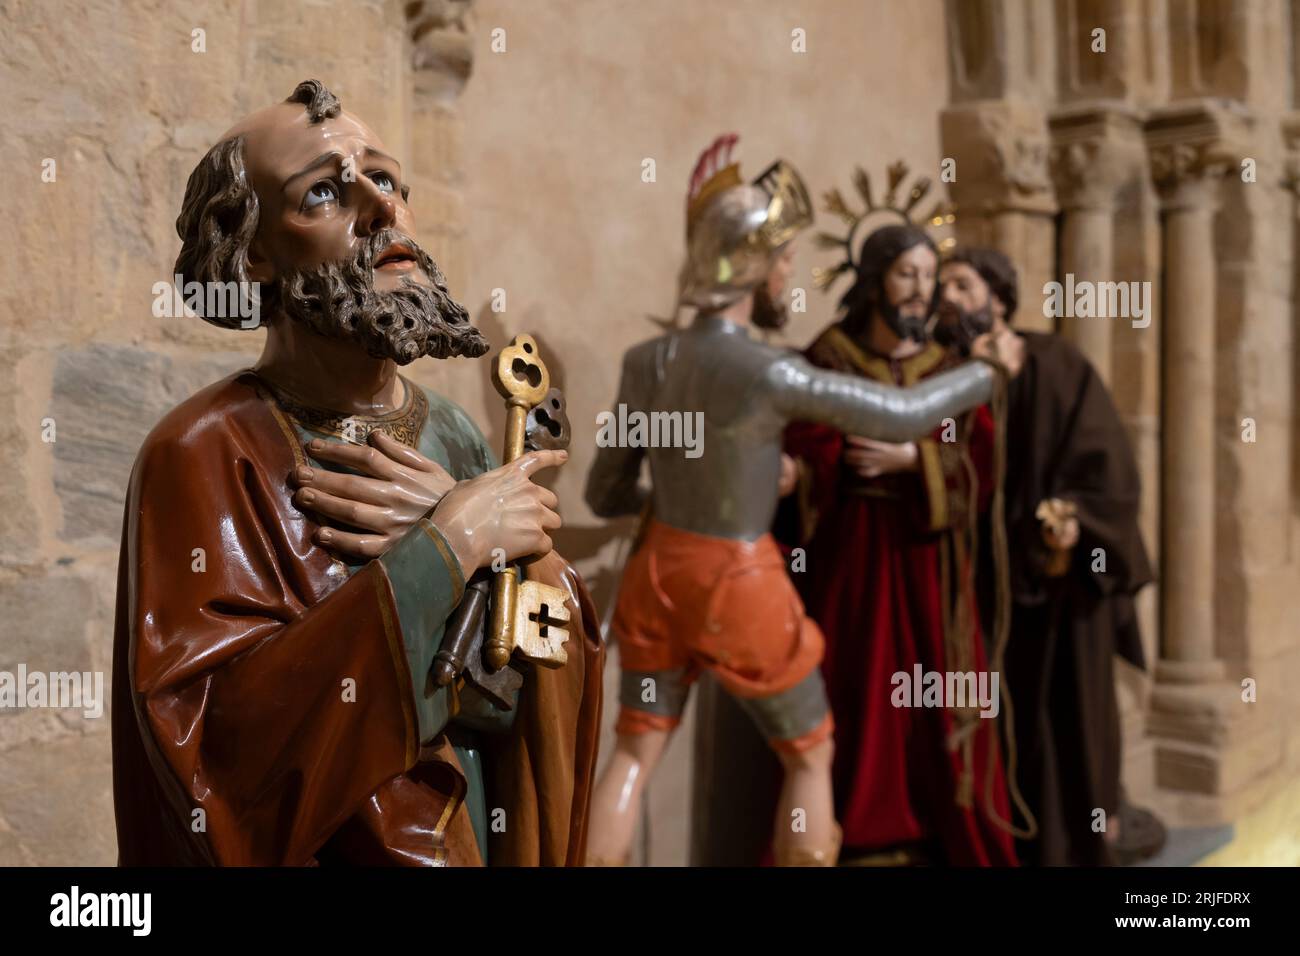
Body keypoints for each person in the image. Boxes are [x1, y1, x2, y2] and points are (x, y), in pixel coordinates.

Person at [112, 80, 604, 866]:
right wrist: (445, 549)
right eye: (324, 193)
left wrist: (509, 552)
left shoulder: (455, 435)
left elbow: (521, 677)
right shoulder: (204, 451)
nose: (383, 208)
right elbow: (212, 750)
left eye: (389, 180)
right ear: (256, 253)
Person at [583, 137, 1008, 866]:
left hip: (656, 576)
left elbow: (606, 488)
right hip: (737, 577)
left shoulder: (644, 361)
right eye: (782, 264)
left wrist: (685, 488)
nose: (788, 278)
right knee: (811, 758)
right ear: (750, 269)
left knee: (630, 758)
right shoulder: (772, 370)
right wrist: (981, 376)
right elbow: (901, 417)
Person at [774, 223, 1018, 866]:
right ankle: (854, 837)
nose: (921, 291)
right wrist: (808, 471)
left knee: (938, 698)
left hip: (929, 559)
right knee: (856, 690)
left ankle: (943, 834)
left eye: (928, 277)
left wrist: (918, 461)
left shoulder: (953, 368)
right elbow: (803, 440)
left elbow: (983, 461)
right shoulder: (829, 357)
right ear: (876, 276)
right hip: (851, 554)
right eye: (906, 274)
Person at [935, 247, 1161, 866]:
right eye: (940, 285)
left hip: (1064, 583)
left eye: (963, 284)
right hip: (982, 583)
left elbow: (1109, 468)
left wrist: (1073, 521)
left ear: (1000, 298)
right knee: (1004, 724)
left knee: (1074, 719)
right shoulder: (943, 378)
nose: (948, 296)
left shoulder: (1057, 363)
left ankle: (1081, 846)